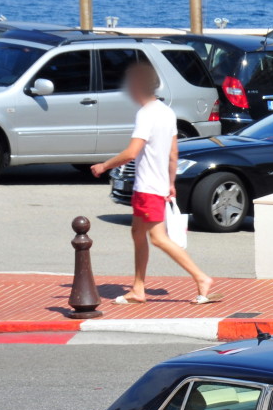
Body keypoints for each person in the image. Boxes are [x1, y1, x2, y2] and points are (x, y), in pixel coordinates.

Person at [90, 62, 219, 305]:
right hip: (154, 185)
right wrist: (170, 183)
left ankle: (201, 278)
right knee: (137, 232)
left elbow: (131, 152)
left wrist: (103, 165)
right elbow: (173, 154)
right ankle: (138, 288)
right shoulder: (166, 112)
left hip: (148, 187)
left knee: (158, 238)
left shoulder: (145, 114)